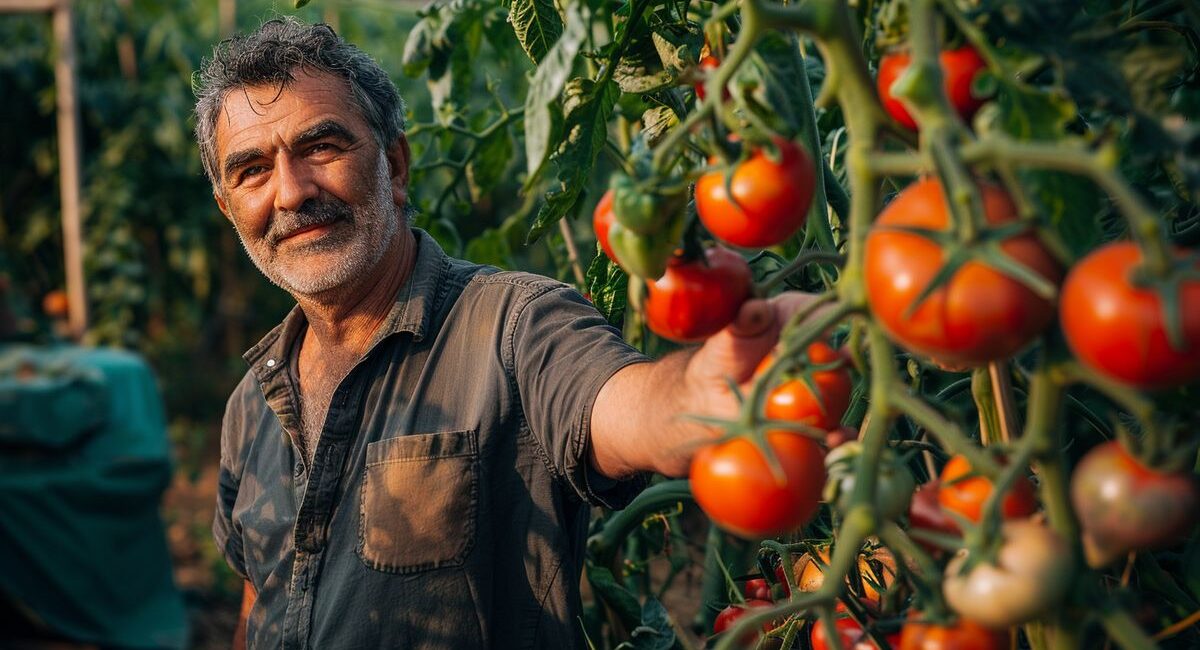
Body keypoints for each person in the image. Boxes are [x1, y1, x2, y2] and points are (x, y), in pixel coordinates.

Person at [195, 17, 820, 649]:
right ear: (227, 208)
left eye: (322, 147)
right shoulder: (250, 406)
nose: (291, 192)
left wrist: (696, 395)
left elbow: (621, 405)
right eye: (251, 171)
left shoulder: (515, 326)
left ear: (395, 165)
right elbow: (262, 600)